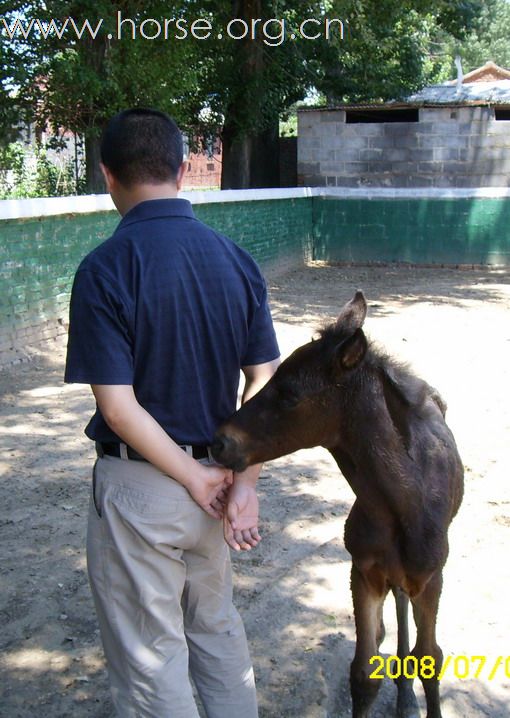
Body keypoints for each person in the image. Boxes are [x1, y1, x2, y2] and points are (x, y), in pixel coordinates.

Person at [64, 108, 280, 718]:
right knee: (216, 632)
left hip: (145, 492)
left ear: (107, 175)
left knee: (150, 657)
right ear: (183, 170)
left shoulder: (105, 268)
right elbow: (263, 383)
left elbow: (117, 405)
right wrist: (243, 485)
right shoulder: (236, 260)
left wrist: (194, 478)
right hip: (219, 484)